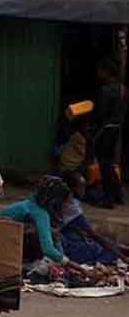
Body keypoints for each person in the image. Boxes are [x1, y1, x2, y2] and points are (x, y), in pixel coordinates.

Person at [0, 176, 82, 270]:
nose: (67, 206)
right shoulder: (40, 213)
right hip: (4, 245)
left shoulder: (31, 204)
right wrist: (80, 269)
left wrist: (63, 261)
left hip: (3, 241)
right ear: (56, 201)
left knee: (53, 234)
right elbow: (48, 249)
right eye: (66, 203)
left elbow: (55, 237)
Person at [60, 172, 129, 266]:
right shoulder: (71, 208)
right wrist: (123, 258)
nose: (84, 189)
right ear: (72, 189)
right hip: (71, 248)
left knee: (113, 245)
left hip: (72, 241)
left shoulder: (68, 202)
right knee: (110, 253)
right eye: (81, 186)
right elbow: (95, 236)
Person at [91, 59, 126, 207]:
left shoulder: (105, 90)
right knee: (109, 163)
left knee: (104, 163)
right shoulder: (122, 89)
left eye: (100, 71)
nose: (98, 74)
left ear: (106, 72)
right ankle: (118, 195)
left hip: (105, 129)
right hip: (116, 128)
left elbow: (100, 113)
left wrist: (91, 126)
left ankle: (108, 198)